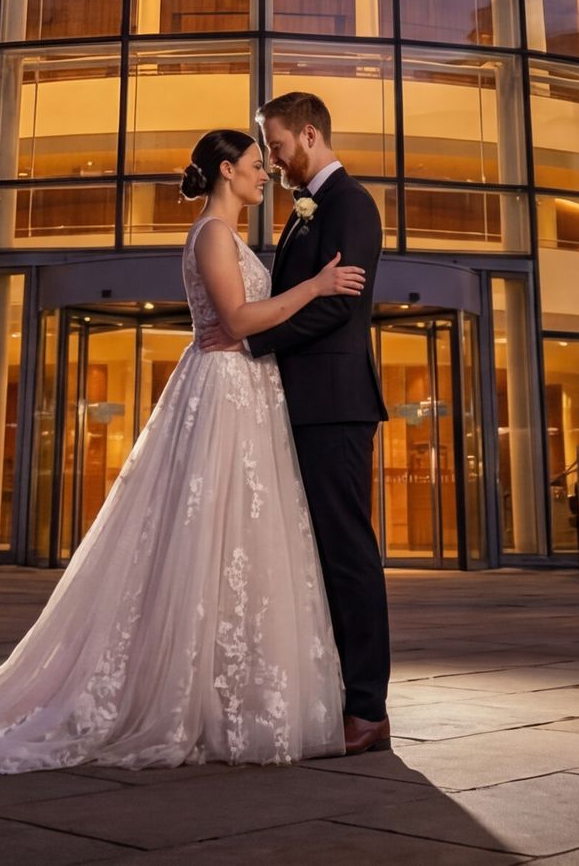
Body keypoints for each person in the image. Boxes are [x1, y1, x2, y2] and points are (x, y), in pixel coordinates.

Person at [0, 127, 364, 770]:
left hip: (245, 390)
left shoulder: (230, 236)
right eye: (253, 164)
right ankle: (181, 692)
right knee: (204, 535)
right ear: (225, 169)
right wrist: (316, 289)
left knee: (236, 539)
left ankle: (224, 686)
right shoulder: (211, 235)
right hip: (221, 390)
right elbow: (237, 321)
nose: (264, 175)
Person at [217, 90, 393, 756]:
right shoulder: (307, 208)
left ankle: (369, 709)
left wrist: (251, 344)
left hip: (334, 404)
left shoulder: (351, 203)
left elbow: (337, 311)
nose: (272, 157)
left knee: (347, 553)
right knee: (318, 555)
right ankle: (337, 695)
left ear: (310, 134)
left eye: (278, 143)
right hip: (305, 403)